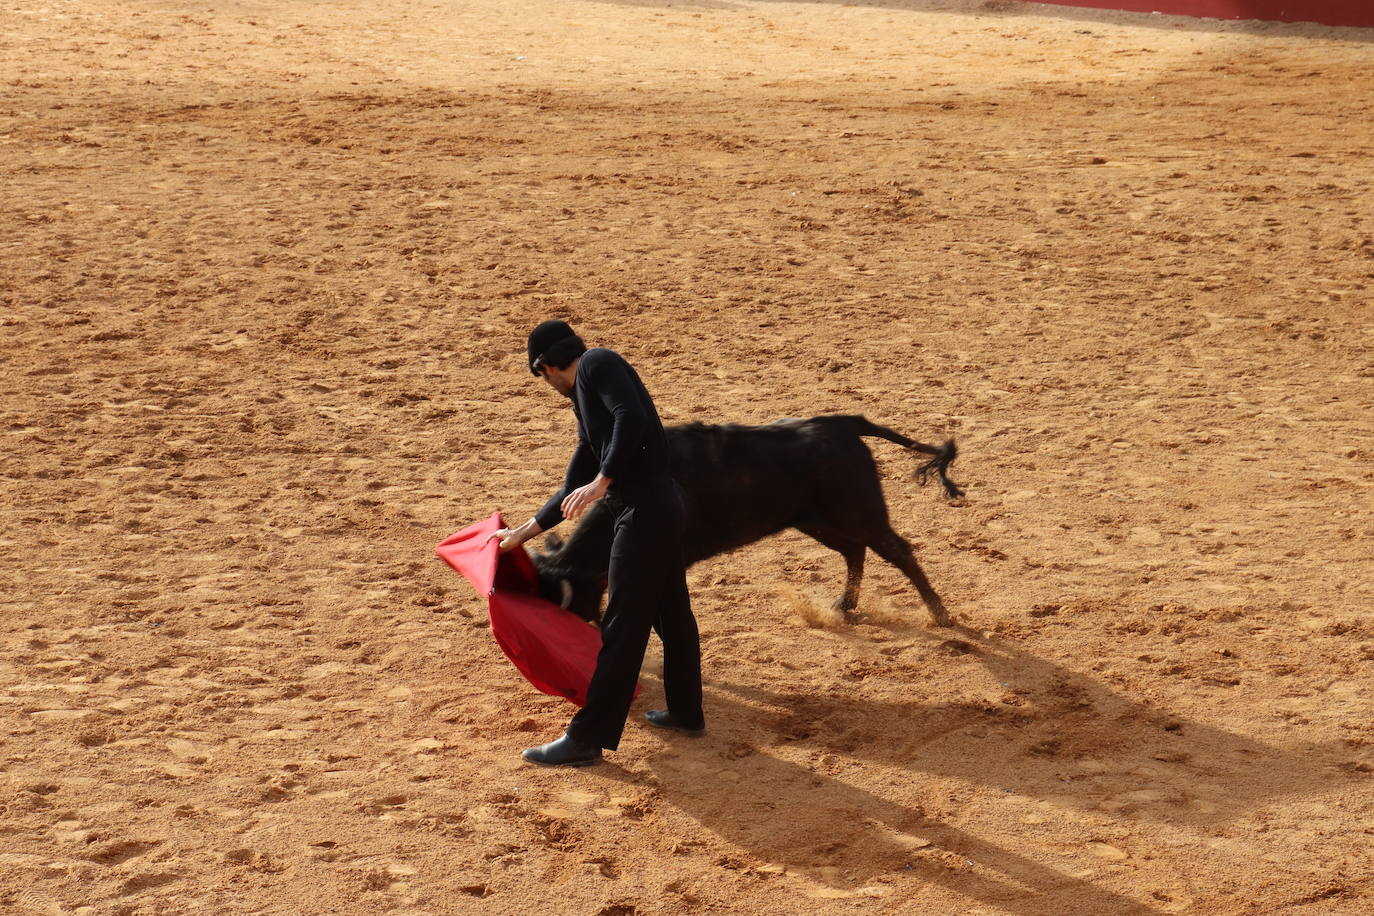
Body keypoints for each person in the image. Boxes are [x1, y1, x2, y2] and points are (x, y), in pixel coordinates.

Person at [490, 320, 705, 767]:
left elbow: (632, 415)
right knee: (671, 613)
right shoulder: (585, 403)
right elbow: (574, 483)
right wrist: (525, 532)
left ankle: (587, 739)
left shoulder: (596, 364)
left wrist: (604, 480)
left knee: (623, 628)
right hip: (659, 507)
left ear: (545, 368)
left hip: (645, 510)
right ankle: (686, 712)